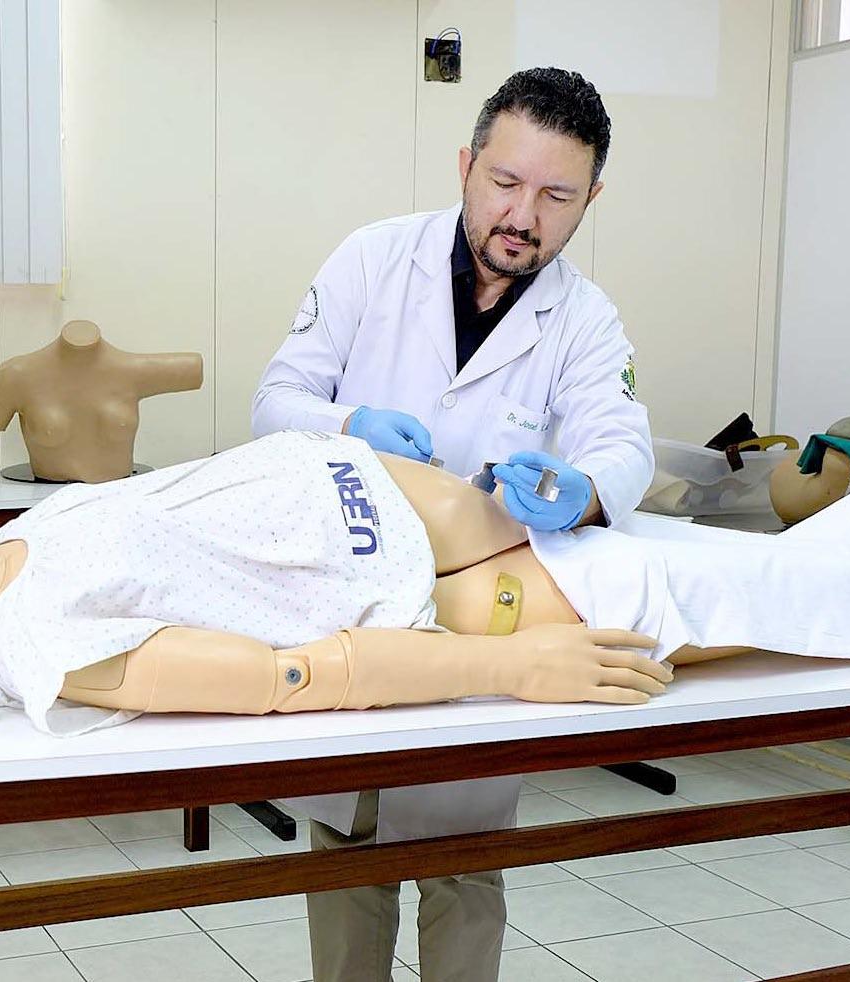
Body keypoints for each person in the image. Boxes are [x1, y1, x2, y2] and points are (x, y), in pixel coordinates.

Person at [251, 66, 654, 979]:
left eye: (556, 197)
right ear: (467, 165)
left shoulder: (584, 319)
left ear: (590, 200)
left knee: (467, 865)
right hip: (353, 596)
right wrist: (349, 426)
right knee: (346, 856)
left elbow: (624, 446)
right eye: (505, 183)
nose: (524, 216)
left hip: (482, 619)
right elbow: (275, 401)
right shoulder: (373, 259)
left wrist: (584, 490)